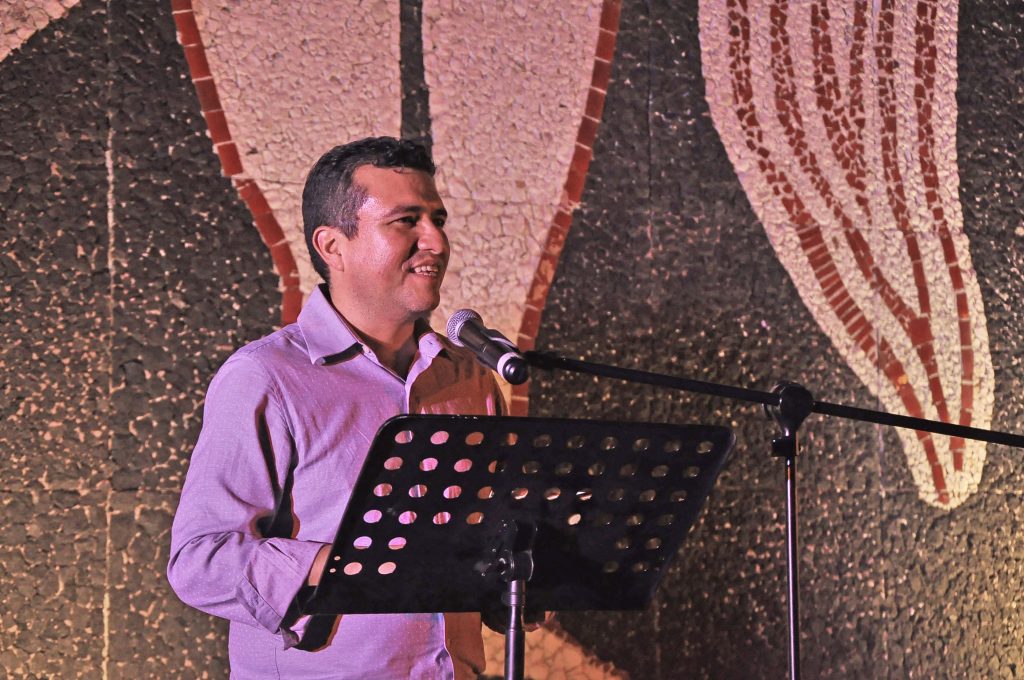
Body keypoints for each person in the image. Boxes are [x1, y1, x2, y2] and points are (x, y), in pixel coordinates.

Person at [168, 137, 505, 679]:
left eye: (438, 220)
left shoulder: (470, 378)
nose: (437, 241)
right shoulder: (266, 377)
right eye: (407, 221)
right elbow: (199, 562)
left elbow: (488, 557)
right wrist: (344, 561)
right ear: (332, 245)